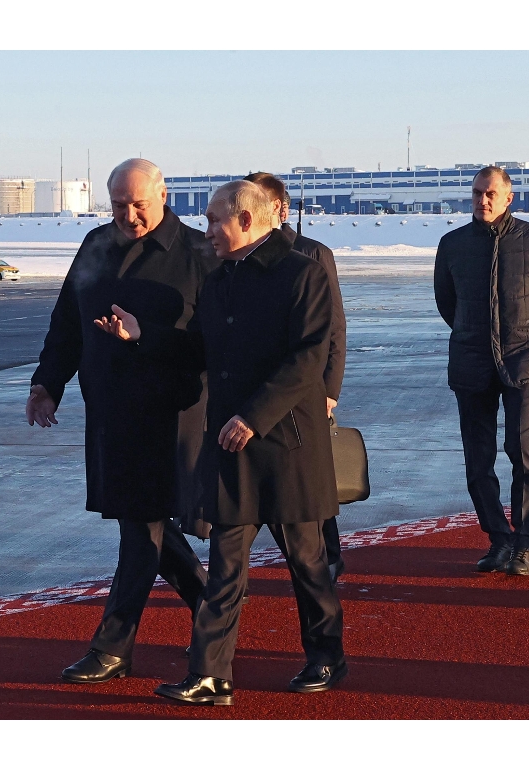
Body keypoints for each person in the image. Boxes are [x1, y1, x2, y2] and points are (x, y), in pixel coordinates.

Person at [96, 181, 344, 704]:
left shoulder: (303, 273)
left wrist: (253, 417)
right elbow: (198, 349)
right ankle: (210, 674)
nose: (206, 231)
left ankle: (326, 656)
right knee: (227, 566)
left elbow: (307, 358)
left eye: (214, 221)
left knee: (307, 562)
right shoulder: (220, 279)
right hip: (233, 448)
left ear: (246, 221)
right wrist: (143, 335)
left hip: (288, 447)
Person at [26, 159, 218, 684]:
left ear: (164, 196)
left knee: (141, 524)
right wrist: (47, 383)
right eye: (117, 205)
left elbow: (213, 344)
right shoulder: (96, 245)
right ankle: (213, 609)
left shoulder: (200, 252)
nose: (128, 216)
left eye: (139, 205)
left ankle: (112, 648)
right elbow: (67, 323)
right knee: (141, 520)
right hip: (111, 411)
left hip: (174, 414)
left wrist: (145, 336)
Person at [434, 167, 529, 577]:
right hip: (472, 362)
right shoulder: (453, 244)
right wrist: (473, 333)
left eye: (490, 193)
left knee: (523, 453)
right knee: (478, 460)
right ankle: (498, 539)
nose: (482, 200)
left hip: (524, 362)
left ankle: (523, 544)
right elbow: (447, 302)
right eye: (477, 193)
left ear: (508, 198)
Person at [244, 172, 347, 583]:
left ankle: (328, 560)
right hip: (252, 393)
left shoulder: (312, 254)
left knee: (310, 485)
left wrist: (329, 389)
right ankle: (234, 577)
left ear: (279, 208)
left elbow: (333, 328)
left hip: (305, 391)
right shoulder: (234, 254)